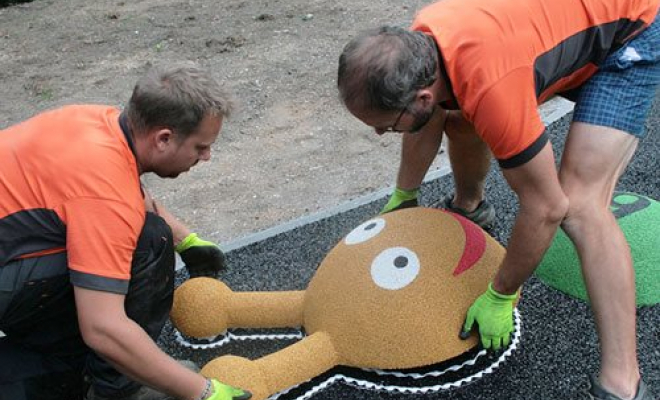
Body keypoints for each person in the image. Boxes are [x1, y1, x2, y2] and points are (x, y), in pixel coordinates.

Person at [336, 0, 659, 398]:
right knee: (458, 115)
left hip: (632, 30)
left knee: (579, 204)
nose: (381, 134)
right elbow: (428, 117)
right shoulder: (425, 39)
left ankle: (623, 382)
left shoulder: (492, 87)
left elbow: (546, 208)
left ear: (420, 96)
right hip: (548, 33)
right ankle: (469, 206)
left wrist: (500, 293)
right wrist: (405, 196)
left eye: (385, 126)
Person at [0, 63, 252, 400]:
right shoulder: (106, 197)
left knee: (151, 232)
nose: (206, 156)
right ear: (163, 138)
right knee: (148, 241)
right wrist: (201, 392)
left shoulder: (97, 121)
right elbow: (102, 328)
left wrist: (186, 239)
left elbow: (125, 188)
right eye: (200, 147)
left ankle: (53, 361)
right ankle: (118, 389)